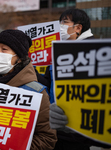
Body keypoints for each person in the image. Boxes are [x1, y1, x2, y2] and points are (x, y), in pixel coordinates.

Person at [44, 8, 111, 150]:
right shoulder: (59, 51)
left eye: (64, 23)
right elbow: (47, 82)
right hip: (55, 128)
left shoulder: (94, 53)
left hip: (77, 134)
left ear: (78, 28)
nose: (60, 27)